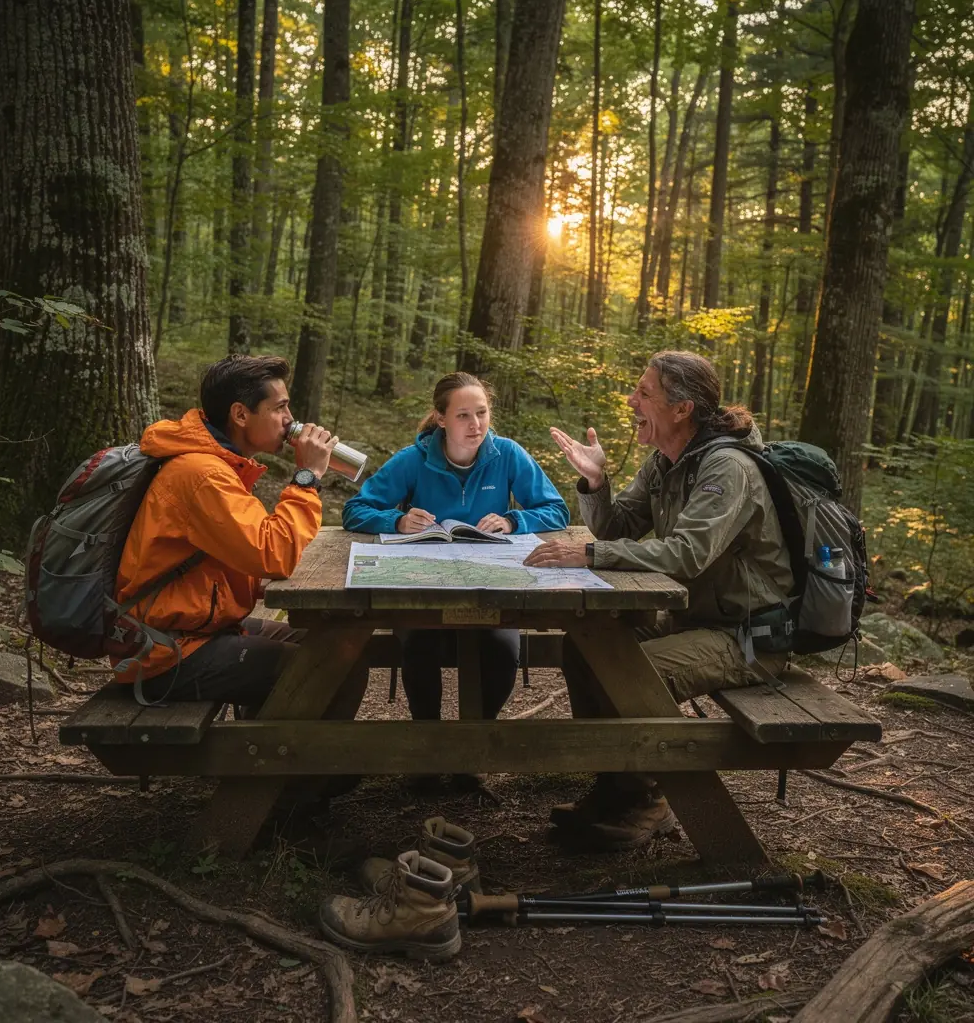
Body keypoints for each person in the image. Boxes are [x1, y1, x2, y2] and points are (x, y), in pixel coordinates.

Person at [525, 350, 794, 848]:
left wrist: (589, 554)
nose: (631, 400)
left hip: (747, 636)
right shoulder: (666, 461)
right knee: (585, 648)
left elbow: (687, 554)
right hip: (696, 619)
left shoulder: (726, 469)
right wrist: (595, 482)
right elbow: (617, 528)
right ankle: (616, 788)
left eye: (644, 393)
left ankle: (647, 802)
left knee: (632, 670)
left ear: (682, 409)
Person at [113, 354, 352, 712]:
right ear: (240, 415)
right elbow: (273, 554)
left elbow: (247, 553)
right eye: (281, 408)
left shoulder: (219, 465)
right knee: (331, 669)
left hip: (198, 628)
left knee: (340, 647)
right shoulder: (203, 474)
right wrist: (308, 477)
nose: (291, 420)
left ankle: (280, 758)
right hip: (167, 650)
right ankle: (291, 764)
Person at [342, 371, 570, 727]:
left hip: (493, 586)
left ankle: (475, 742)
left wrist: (512, 521)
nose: (475, 424)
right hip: (422, 587)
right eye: (463, 415)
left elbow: (556, 510)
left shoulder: (508, 454)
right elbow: (355, 509)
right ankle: (429, 745)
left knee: (502, 648)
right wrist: (397, 522)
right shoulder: (413, 459)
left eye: (481, 412)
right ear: (441, 418)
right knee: (419, 644)